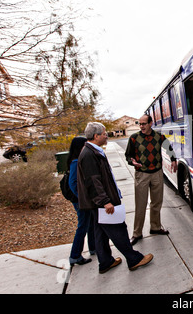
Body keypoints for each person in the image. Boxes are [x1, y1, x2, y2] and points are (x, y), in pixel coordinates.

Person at [77, 122, 153, 273]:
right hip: (101, 203)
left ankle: (105, 262)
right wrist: (105, 202)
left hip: (96, 203)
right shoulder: (89, 154)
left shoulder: (92, 151)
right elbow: (93, 181)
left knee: (100, 233)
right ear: (96, 136)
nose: (106, 136)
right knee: (118, 230)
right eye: (104, 133)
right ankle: (134, 259)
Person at [125, 114, 177, 246]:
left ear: (150, 124)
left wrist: (174, 160)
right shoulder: (134, 138)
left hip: (157, 174)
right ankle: (137, 233)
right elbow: (128, 156)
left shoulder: (159, 136)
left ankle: (155, 227)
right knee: (141, 205)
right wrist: (133, 162)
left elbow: (169, 148)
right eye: (140, 124)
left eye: (144, 123)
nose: (141, 126)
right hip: (142, 175)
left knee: (156, 203)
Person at [68, 136, 95, 266]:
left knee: (90, 223)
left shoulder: (77, 159)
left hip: (82, 200)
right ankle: (75, 256)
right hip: (80, 201)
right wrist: (82, 197)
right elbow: (72, 183)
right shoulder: (75, 162)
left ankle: (93, 248)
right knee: (82, 226)